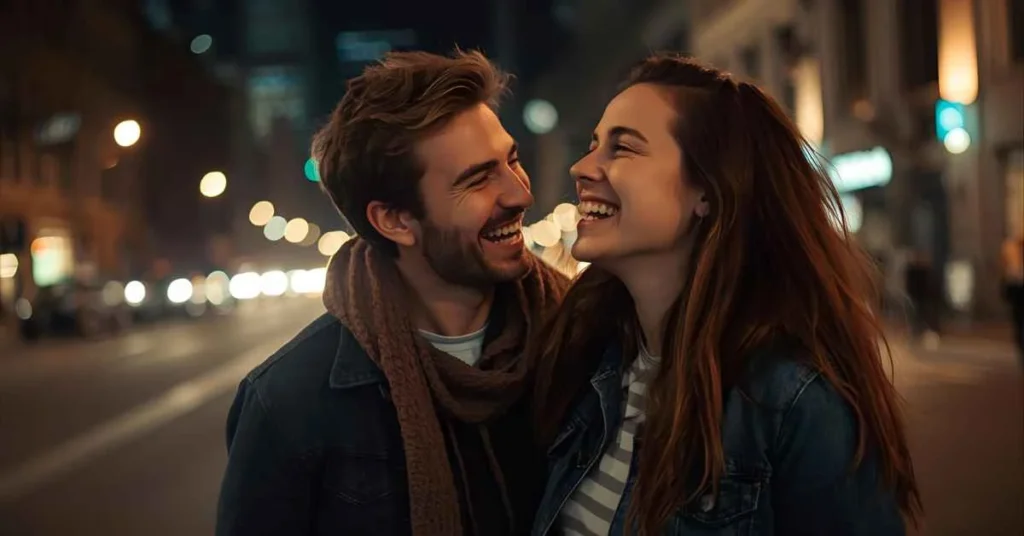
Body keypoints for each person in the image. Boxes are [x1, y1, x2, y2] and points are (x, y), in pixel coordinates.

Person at [530, 53, 921, 535]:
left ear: (708, 192)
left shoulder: (791, 402)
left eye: (623, 148)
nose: (583, 166)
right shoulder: (590, 358)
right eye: (593, 144)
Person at [216, 50, 568, 536]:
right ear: (396, 221)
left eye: (511, 160)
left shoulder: (580, 346)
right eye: (478, 178)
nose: (520, 194)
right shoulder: (289, 403)